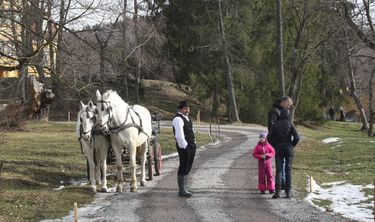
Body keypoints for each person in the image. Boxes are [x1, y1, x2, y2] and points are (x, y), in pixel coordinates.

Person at [267, 109, 300, 199]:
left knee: (279, 170)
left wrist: (275, 145)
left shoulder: (276, 124)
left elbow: (268, 137)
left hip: (279, 148)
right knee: (288, 170)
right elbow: (297, 137)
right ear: (288, 115)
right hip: (288, 148)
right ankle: (288, 192)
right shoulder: (290, 124)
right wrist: (292, 145)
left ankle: (277, 192)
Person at [267, 96, 293, 190]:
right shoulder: (274, 111)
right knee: (281, 165)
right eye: (288, 104)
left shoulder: (284, 111)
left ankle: (283, 183)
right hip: (278, 141)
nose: (289, 107)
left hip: (285, 142)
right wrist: (275, 142)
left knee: (284, 164)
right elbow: (271, 127)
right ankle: (282, 183)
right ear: (283, 102)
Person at [172, 101, 196, 197]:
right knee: (183, 166)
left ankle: (185, 187)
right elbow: (179, 136)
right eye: (185, 108)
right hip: (184, 146)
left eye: (188, 108)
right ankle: (182, 190)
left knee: (188, 166)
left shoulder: (187, 119)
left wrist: (194, 142)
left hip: (191, 145)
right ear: (180, 109)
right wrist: (185, 146)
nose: (187, 110)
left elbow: (190, 132)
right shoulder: (178, 119)